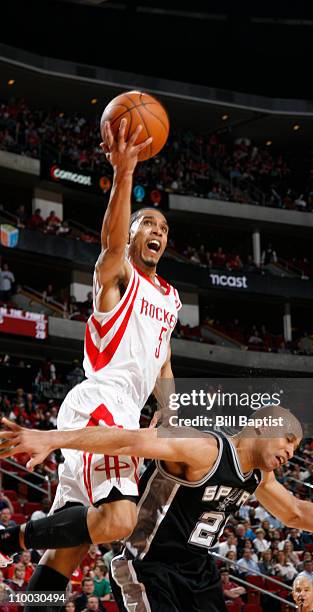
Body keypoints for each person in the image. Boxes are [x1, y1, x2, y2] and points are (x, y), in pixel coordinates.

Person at [0, 118, 182, 600]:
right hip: (101, 402)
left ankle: (27, 598)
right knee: (121, 520)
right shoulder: (118, 277)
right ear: (134, 233)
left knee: (68, 549)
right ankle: (11, 537)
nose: (156, 231)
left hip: (127, 414)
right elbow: (110, 246)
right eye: (148, 223)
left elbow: (163, 361)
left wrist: (168, 403)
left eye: (163, 226)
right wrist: (124, 176)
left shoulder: (170, 299)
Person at [2, 406, 313, 611]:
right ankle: (13, 539)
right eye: (287, 440)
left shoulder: (257, 478)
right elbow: (125, 440)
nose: (289, 452)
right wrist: (52, 438)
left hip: (199, 569)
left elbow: (298, 513)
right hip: (152, 565)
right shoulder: (203, 448)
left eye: (295, 449)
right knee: (63, 563)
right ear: (261, 426)